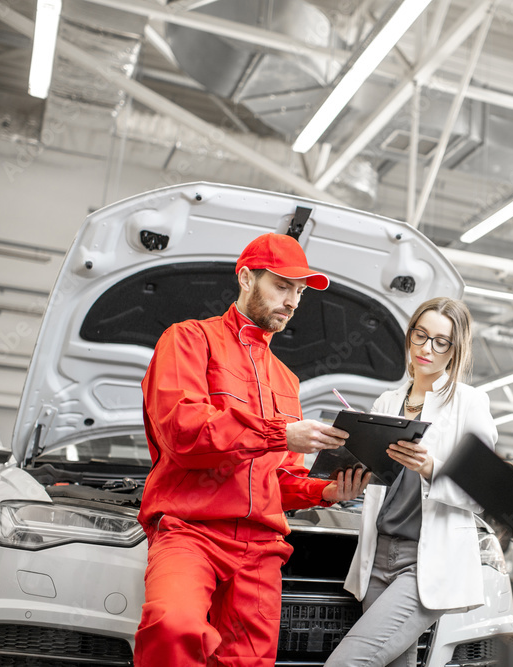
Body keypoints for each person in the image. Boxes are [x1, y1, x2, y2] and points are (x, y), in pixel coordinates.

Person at [134, 232, 371, 666]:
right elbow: (184, 432)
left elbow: (279, 481)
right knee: (172, 626)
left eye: (299, 292)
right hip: (191, 530)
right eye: (282, 286)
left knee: (246, 662)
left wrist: (326, 492)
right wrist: (279, 433)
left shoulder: (286, 380)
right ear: (246, 277)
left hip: (261, 549)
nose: (293, 301)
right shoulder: (188, 340)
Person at [325, 297, 497, 667]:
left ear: (455, 350)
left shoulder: (469, 403)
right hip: (377, 556)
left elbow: (486, 490)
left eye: (440, 341)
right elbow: (378, 480)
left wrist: (433, 467)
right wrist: (350, 480)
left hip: (425, 564)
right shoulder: (387, 402)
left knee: (346, 663)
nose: (427, 348)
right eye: (421, 335)